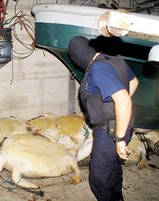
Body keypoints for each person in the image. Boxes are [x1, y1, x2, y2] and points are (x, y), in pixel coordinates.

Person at [68, 36, 139, 201]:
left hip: (111, 131)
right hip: (124, 124)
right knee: (113, 167)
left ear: (77, 56)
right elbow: (134, 82)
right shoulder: (115, 58)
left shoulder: (98, 68)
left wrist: (119, 139)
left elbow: (123, 99)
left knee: (99, 180)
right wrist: (120, 109)